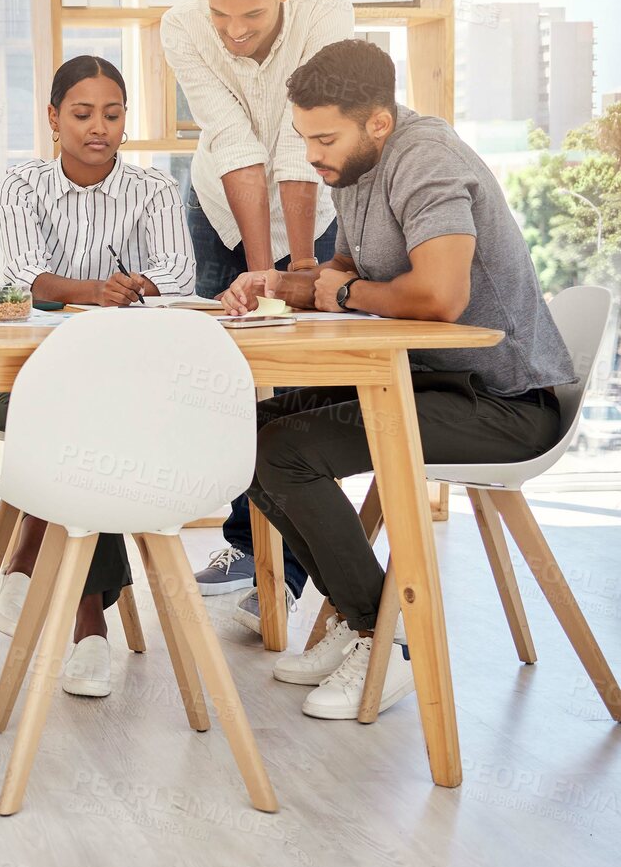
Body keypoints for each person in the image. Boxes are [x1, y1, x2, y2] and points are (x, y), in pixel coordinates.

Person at [225, 38, 574, 719]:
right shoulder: (355, 169)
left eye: (323, 137)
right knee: (254, 430)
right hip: (433, 382)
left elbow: (437, 294)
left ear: (376, 122)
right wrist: (277, 284)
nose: (311, 155)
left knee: (285, 452)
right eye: (303, 138)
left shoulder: (423, 158)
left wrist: (342, 292)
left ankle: (389, 642)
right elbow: (344, 281)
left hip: (504, 403)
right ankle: (365, 623)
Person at [0, 56, 196, 697]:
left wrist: (142, 286)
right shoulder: (23, 185)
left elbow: (179, 278)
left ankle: (33, 565)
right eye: (81, 114)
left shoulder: (153, 190)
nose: (98, 127)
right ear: (53, 119)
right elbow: (25, 277)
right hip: (22, 382)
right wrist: (94, 292)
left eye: (112, 113)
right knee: (93, 422)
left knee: (98, 418)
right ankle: (88, 626)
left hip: (123, 381)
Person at [160, 0, 353, 627]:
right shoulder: (181, 27)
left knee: (302, 382)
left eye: (250, 15)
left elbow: (306, 140)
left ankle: (295, 565)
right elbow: (233, 138)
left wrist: (297, 272)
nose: (233, 32)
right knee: (230, 374)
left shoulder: (325, 13)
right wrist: (258, 275)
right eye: (220, 14)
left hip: (314, 205)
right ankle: (245, 545)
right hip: (223, 204)